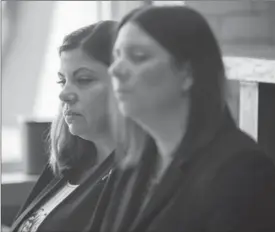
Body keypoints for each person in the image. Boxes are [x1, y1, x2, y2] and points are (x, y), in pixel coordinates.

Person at [89, 6, 275, 232]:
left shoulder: (242, 171)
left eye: (138, 57)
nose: (115, 70)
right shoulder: (132, 163)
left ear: (187, 73)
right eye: (117, 56)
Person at [10, 20, 119, 232]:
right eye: (63, 81)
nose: (63, 94)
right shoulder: (69, 166)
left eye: (84, 79)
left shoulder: (138, 184)